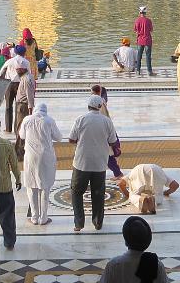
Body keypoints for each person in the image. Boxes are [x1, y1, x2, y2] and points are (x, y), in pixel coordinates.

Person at [67, 95, 119, 232]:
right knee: (98, 193)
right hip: (99, 163)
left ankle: (79, 223)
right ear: (100, 106)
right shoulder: (107, 121)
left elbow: (71, 139)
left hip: (81, 163)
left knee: (76, 192)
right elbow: (113, 141)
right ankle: (97, 223)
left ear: (88, 106)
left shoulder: (81, 119)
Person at [17, 103, 62, 226]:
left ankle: (34, 217)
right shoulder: (49, 120)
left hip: (31, 157)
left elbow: (21, 135)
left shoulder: (27, 119)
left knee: (32, 187)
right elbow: (59, 137)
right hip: (46, 157)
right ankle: (43, 218)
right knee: (45, 187)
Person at [0, 122, 22, 249]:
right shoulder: (6, 144)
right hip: (4, 187)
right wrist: (18, 179)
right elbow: (14, 165)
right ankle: (9, 242)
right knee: (7, 217)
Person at [91, 84, 123, 178]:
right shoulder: (101, 102)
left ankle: (117, 173)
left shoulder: (99, 104)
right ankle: (117, 173)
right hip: (104, 133)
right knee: (105, 154)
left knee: (106, 155)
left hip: (103, 133)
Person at [0, 44, 30, 132]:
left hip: (9, 84)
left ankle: (8, 128)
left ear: (15, 52)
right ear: (24, 53)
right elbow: (28, 74)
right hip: (20, 85)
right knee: (18, 106)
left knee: (8, 106)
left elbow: (1, 72)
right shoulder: (26, 62)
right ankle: (17, 129)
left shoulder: (10, 61)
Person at [13, 66, 35, 156]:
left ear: (23, 69)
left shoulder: (27, 79)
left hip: (23, 106)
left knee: (20, 128)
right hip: (21, 105)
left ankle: (19, 152)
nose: (16, 71)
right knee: (18, 127)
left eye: (17, 69)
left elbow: (29, 95)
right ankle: (19, 150)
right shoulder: (25, 77)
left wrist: (30, 110)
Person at [133, 6, 155, 76]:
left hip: (140, 40)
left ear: (140, 12)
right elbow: (151, 30)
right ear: (145, 12)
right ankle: (149, 71)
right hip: (148, 40)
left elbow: (135, 30)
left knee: (139, 56)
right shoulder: (149, 20)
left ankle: (138, 71)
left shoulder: (137, 20)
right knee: (148, 56)